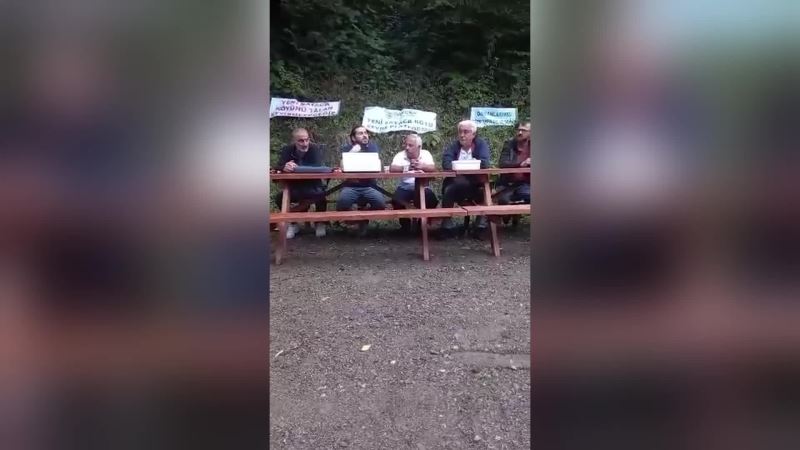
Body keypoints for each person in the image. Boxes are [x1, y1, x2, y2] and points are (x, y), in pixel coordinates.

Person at [438, 120, 491, 237]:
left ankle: (480, 225)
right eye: (460, 132)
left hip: (475, 184)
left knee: (485, 190)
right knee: (449, 188)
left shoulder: (481, 145)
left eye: (466, 132)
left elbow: (485, 163)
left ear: (473, 134)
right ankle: (447, 225)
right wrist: (470, 166)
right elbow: (446, 163)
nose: (462, 135)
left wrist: (460, 167)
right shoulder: (454, 146)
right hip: (455, 184)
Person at [274, 128, 327, 238]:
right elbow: (278, 166)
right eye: (301, 141)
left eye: (307, 140)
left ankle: (320, 222)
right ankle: (292, 224)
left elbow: (317, 166)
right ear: (294, 141)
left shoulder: (314, 148)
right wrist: (284, 167)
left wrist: (296, 167)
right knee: (280, 198)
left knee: (321, 196)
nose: (305, 143)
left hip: (312, 185)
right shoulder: (287, 149)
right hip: (294, 186)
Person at [336, 125, 386, 236]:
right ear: (353, 138)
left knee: (380, 204)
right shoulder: (347, 148)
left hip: (369, 186)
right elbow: (343, 167)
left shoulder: (372, 147)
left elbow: (375, 167)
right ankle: (356, 219)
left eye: (365, 133)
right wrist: (352, 152)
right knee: (341, 204)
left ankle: (363, 218)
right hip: (351, 186)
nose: (364, 135)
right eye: (360, 133)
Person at [389, 133, 439, 233]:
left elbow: (433, 168)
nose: (407, 147)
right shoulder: (400, 155)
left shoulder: (426, 154)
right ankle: (405, 225)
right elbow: (392, 168)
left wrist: (422, 166)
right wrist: (407, 168)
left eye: (410, 145)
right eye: (406, 144)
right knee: (396, 200)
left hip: (423, 186)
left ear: (419, 147)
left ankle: (422, 223)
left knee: (432, 199)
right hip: (405, 186)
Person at [497, 121, 531, 206]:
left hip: (527, 184)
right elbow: (502, 163)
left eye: (524, 130)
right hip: (509, 184)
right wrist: (521, 164)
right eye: (519, 130)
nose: (520, 133)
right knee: (503, 200)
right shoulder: (509, 144)